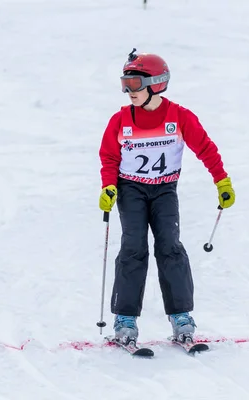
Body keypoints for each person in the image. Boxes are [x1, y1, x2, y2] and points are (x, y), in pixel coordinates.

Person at [98, 48, 235, 344]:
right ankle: (125, 319)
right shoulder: (120, 120)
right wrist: (108, 186)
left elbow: (205, 148)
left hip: (164, 190)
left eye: (134, 84)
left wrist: (221, 180)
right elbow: (109, 157)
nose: (128, 91)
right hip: (130, 189)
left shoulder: (179, 116)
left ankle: (181, 316)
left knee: (170, 246)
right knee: (133, 246)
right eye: (124, 83)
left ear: (156, 83)